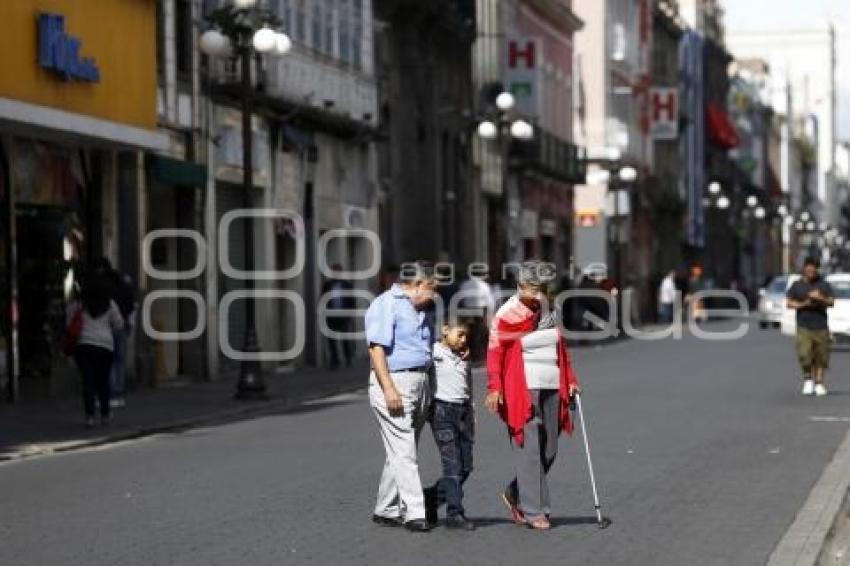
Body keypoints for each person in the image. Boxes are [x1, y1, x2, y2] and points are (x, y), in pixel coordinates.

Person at [484, 261, 581, 531]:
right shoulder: (507, 314)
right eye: (533, 289)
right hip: (521, 388)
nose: (539, 294)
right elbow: (495, 353)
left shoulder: (550, 310)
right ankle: (534, 510)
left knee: (549, 448)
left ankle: (515, 492)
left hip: (551, 385)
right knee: (529, 451)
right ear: (519, 286)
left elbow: (562, 348)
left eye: (542, 289)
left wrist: (571, 380)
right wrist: (495, 388)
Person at [365, 260, 437, 532]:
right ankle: (414, 512)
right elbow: (376, 350)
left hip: (420, 381)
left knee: (401, 449)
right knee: (405, 450)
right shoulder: (386, 304)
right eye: (432, 287)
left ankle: (385, 508)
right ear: (417, 284)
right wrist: (389, 389)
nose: (435, 293)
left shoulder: (424, 308)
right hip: (395, 382)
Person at [423, 321, 476, 530]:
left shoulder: (464, 357)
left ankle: (431, 496)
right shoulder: (432, 352)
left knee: (465, 467)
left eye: (466, 336)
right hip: (442, 412)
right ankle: (455, 512)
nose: (463, 340)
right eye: (460, 334)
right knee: (451, 465)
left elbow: (468, 387)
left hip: (463, 413)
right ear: (445, 331)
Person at [70, 272, 124, 428]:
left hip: (84, 345)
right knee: (103, 381)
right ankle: (105, 414)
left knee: (88, 382)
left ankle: (90, 416)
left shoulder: (79, 304)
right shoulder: (109, 304)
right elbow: (118, 324)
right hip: (104, 346)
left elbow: (70, 320)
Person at [786, 257, 834, 396]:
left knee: (821, 356)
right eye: (808, 267)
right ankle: (808, 379)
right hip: (804, 325)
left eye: (813, 267)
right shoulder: (797, 285)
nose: (810, 270)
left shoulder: (824, 285)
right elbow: (789, 303)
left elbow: (831, 302)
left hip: (820, 325)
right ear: (804, 268)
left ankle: (818, 382)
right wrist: (804, 304)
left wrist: (820, 298)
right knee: (805, 353)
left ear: (817, 269)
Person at [93, 258, 135, 407]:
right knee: (119, 360)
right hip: (121, 325)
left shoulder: (102, 286)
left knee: (109, 360)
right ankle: (118, 391)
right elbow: (131, 304)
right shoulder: (122, 284)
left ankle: (109, 392)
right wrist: (128, 321)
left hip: (107, 326)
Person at [322, 264, 354, 369]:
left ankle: (348, 358)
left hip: (343, 315)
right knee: (332, 340)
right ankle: (335, 361)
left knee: (345, 339)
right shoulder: (327, 285)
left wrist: (350, 314)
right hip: (331, 316)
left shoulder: (346, 285)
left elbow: (351, 300)